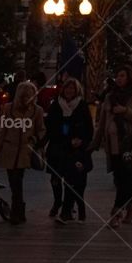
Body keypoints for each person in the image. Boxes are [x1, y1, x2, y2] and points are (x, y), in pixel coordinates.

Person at [91, 65, 132, 228]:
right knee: (120, 179)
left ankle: (116, 213)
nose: (119, 78)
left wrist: (125, 111)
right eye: (118, 75)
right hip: (112, 145)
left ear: (129, 77)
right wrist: (94, 143)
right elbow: (102, 123)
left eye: (122, 75)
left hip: (128, 144)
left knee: (124, 180)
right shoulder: (109, 97)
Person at [0, 81, 45, 225]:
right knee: (15, 182)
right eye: (25, 94)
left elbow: (41, 130)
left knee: (17, 181)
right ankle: (19, 211)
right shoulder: (8, 108)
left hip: (24, 151)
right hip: (10, 150)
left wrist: (34, 140)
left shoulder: (37, 111)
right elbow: (3, 131)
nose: (27, 97)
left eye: (30, 94)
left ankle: (17, 212)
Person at [44, 77, 93, 224]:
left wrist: (82, 141)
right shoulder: (56, 106)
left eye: (72, 88)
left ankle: (66, 211)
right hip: (57, 147)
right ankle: (58, 202)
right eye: (67, 88)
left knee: (71, 180)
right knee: (55, 179)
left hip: (74, 149)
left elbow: (89, 129)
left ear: (77, 90)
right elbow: (50, 127)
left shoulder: (82, 106)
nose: (69, 91)